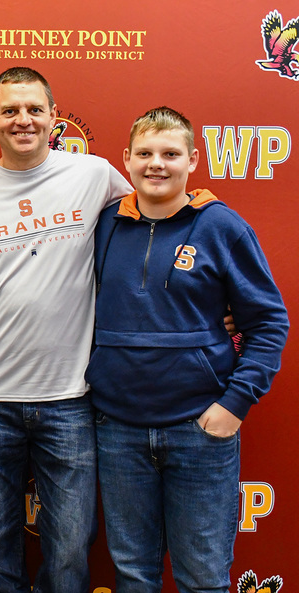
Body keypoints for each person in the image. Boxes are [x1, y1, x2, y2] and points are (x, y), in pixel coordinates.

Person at [0, 67, 132, 593]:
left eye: (35, 109)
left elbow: (152, 231)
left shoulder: (95, 176)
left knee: (69, 550)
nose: (24, 120)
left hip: (70, 396)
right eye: (11, 110)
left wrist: (207, 300)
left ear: (53, 117)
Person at [87, 107, 288, 593]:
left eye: (171, 154)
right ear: (126, 161)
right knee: (134, 575)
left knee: (202, 577)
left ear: (193, 160)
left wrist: (233, 404)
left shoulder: (222, 227)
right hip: (118, 430)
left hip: (200, 429)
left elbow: (268, 321)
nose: (157, 164)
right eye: (145, 154)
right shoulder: (105, 225)